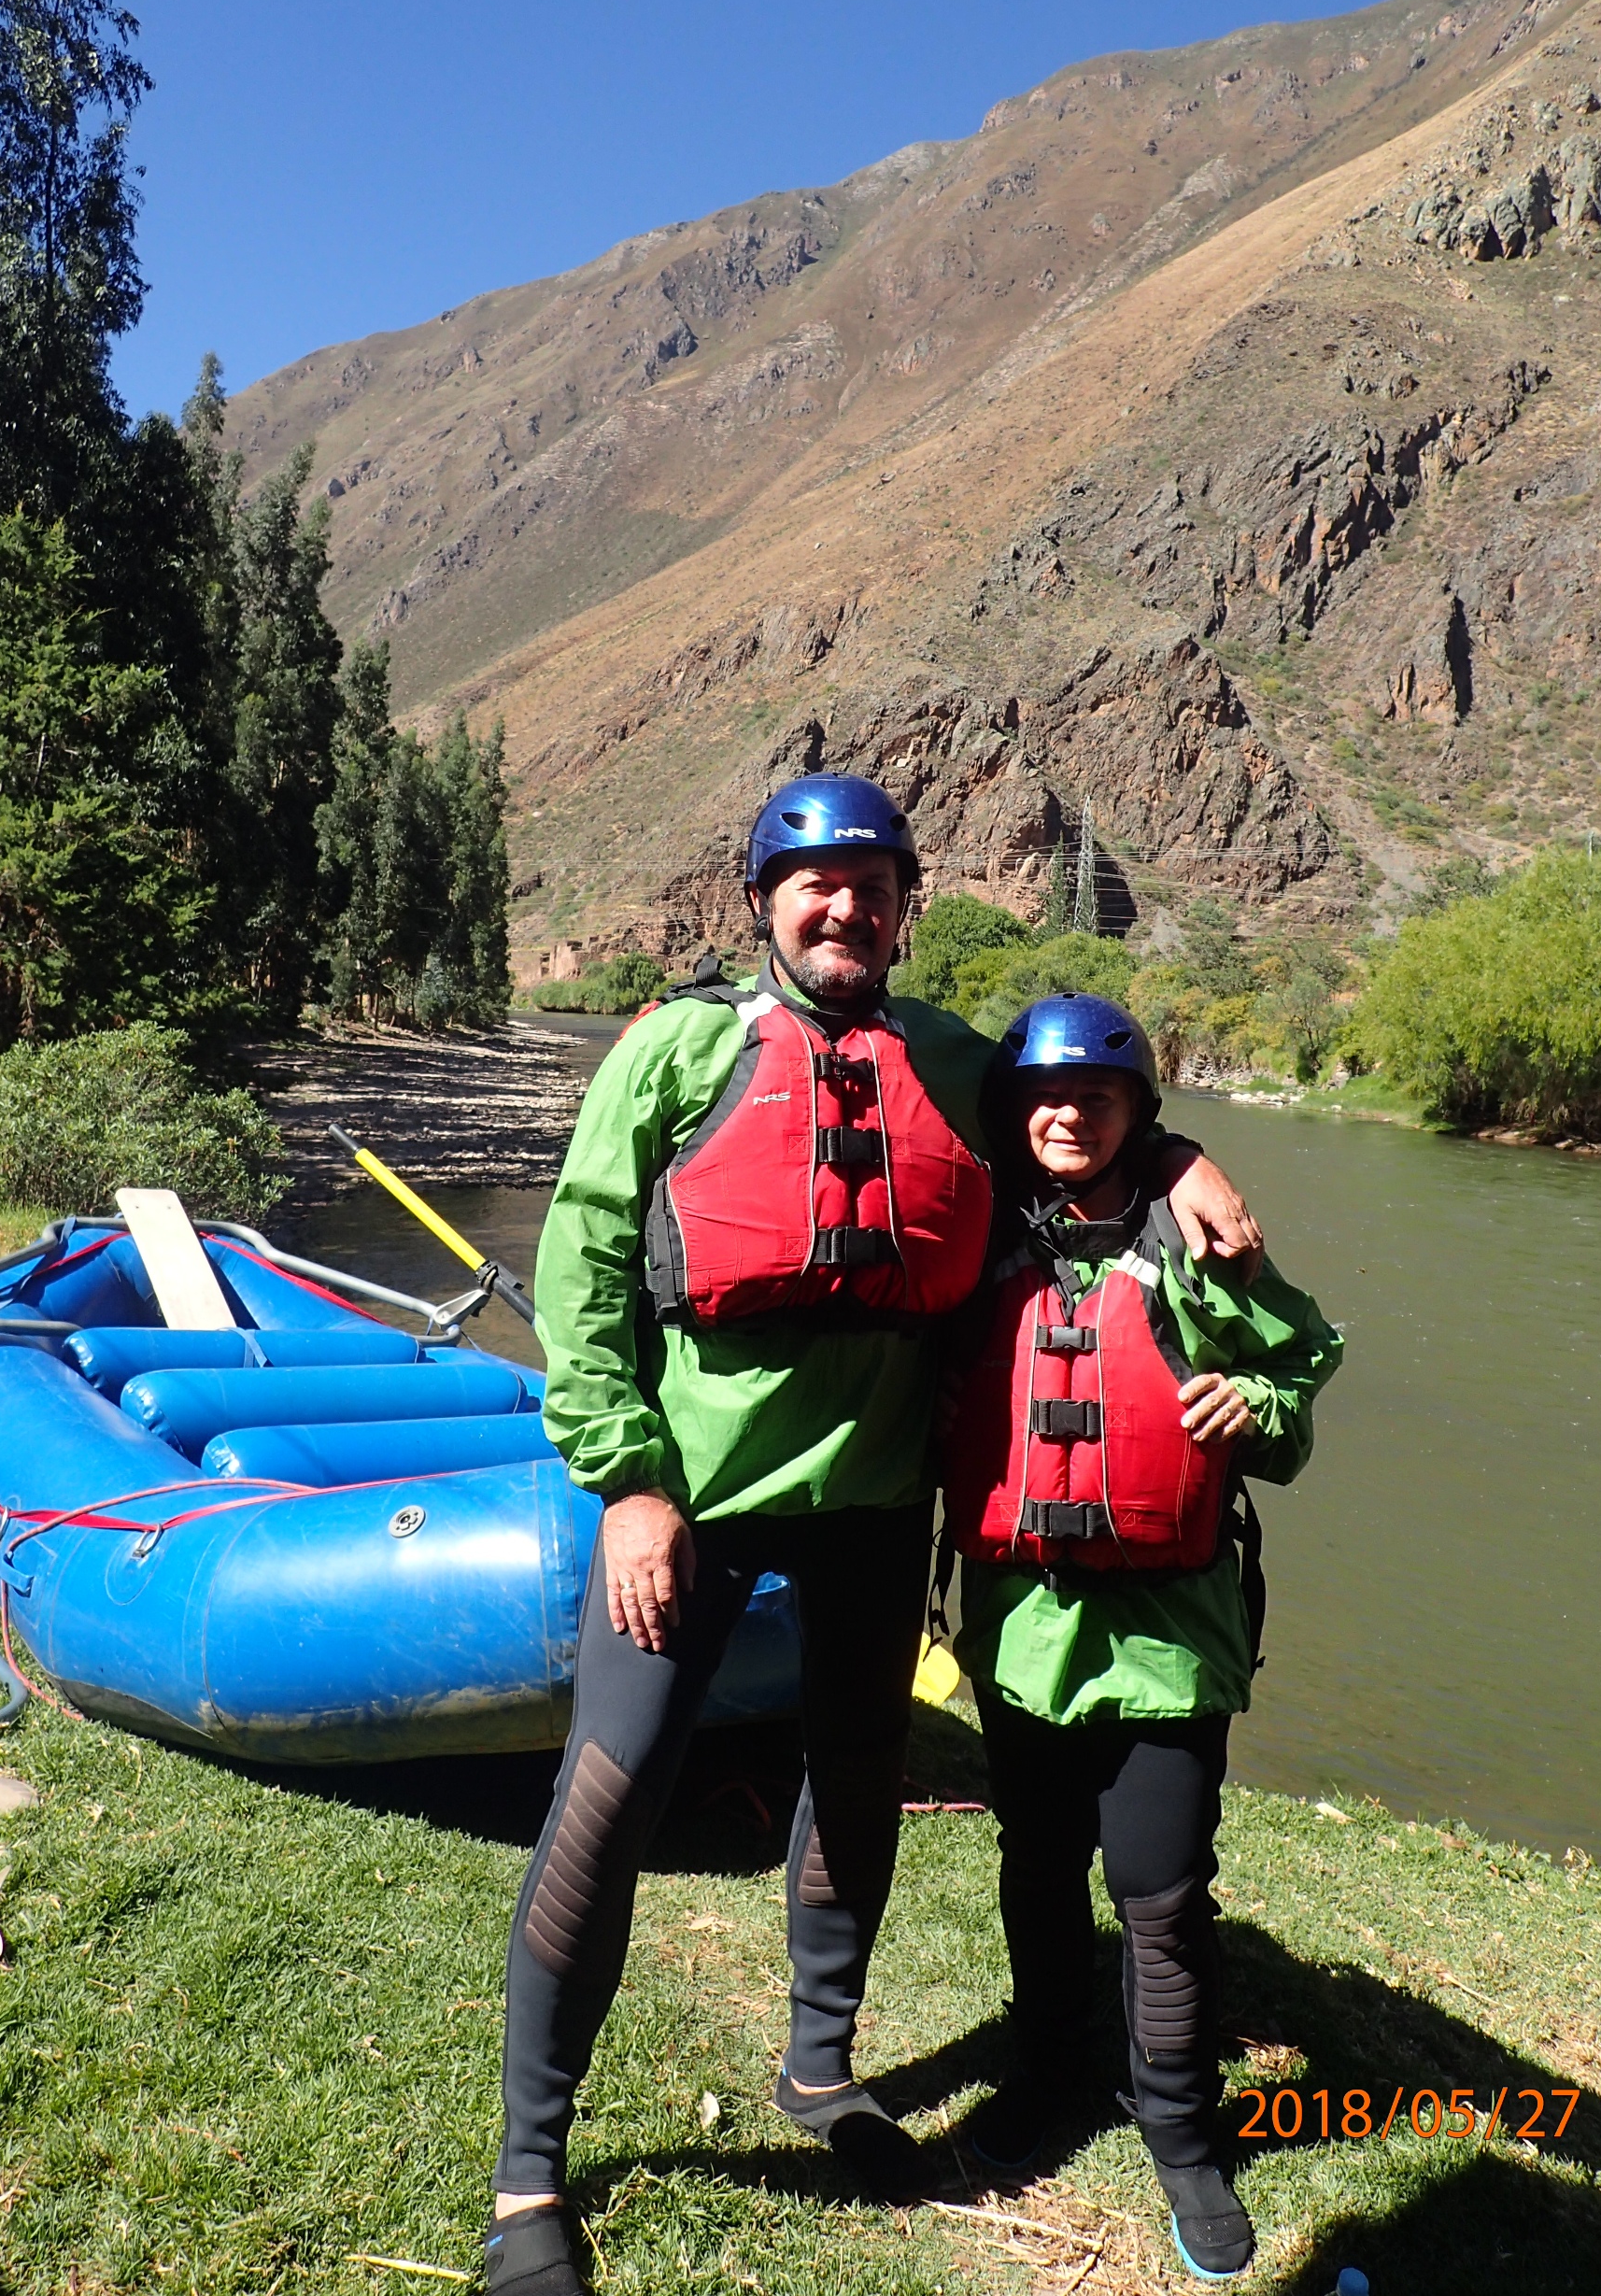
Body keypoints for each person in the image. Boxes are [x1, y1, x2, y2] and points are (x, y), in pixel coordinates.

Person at [485, 775, 1267, 2296]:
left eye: (870, 883)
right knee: (609, 1795)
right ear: (765, 902)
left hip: (872, 1509)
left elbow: (1083, 1121)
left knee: (854, 1774)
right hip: (689, 1503)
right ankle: (529, 2178)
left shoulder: (952, 1060)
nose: (842, 907)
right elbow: (578, 1279)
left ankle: (819, 2069)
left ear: (907, 903)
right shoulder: (678, 1049)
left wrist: (1179, 1161)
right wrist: (629, 1482)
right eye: (812, 882)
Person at [942, 991, 1341, 2283]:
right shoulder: (978, 1236)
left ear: (1138, 1115)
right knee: (1040, 1865)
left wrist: (1256, 1407)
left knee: (1160, 1896)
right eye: (1046, 1097)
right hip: (1019, 1629)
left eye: (1100, 1098)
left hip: (1166, 1639)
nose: (1069, 1115)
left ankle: (1180, 2130)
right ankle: (1050, 2074)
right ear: (1014, 1111)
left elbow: (1294, 1386)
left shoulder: (1193, 1243)